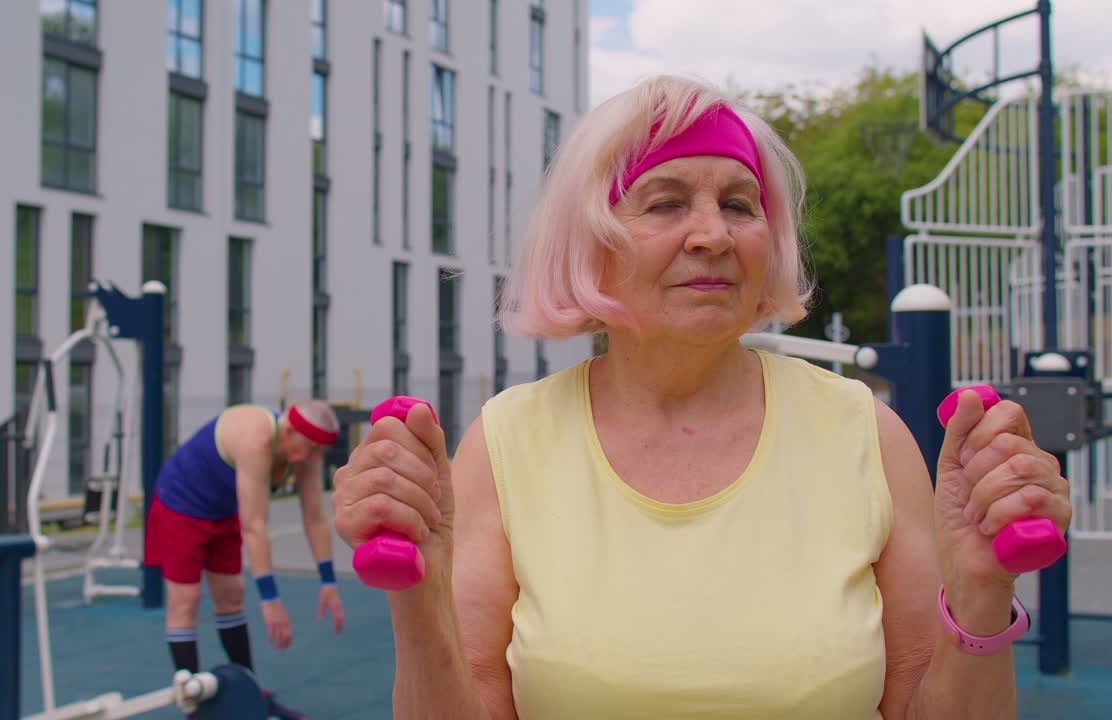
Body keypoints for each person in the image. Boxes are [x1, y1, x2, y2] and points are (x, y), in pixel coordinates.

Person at [331, 75, 1072, 719]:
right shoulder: (506, 443)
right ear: (590, 244)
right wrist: (418, 598)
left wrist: (981, 591)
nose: (713, 234)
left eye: (740, 205)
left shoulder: (864, 433)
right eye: (666, 203)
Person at [146, 399, 347, 719]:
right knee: (185, 599)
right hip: (181, 504)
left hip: (221, 511)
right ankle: (192, 706)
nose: (312, 459)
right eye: (310, 449)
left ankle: (251, 695)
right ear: (289, 431)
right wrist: (270, 601)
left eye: (319, 452)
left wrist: (329, 582)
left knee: (231, 595)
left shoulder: (304, 451)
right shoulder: (256, 439)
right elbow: (254, 525)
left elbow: (315, 517)